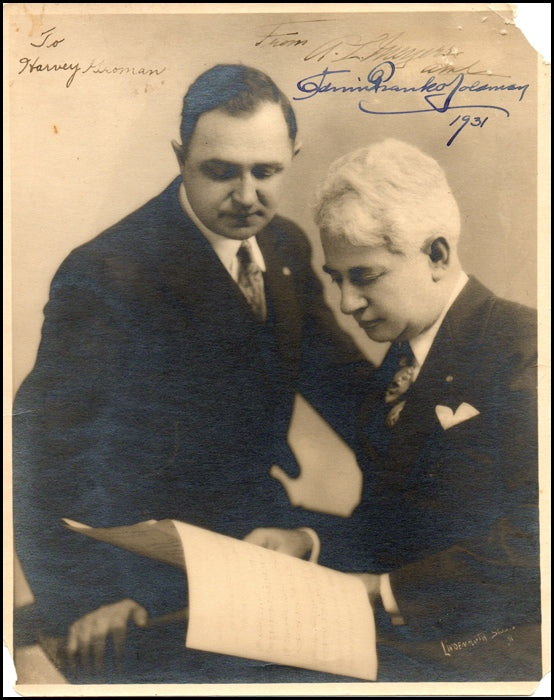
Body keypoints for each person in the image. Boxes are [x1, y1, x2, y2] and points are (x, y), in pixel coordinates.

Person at [12, 64, 370, 683]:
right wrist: (87, 600)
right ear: (181, 159)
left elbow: (345, 386)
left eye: (266, 172)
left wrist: (440, 449)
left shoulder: (283, 246)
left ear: (293, 157)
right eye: (221, 171)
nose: (247, 195)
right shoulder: (106, 274)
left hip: (254, 534)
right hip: (138, 568)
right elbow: (44, 452)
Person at [248, 139, 541, 682]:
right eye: (336, 279)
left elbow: (536, 537)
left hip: (496, 652)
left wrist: (387, 591)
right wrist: (309, 543)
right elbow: (394, 528)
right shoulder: (399, 364)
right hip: (412, 638)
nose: (346, 303)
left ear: (437, 256)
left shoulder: (525, 347)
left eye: (364, 276)